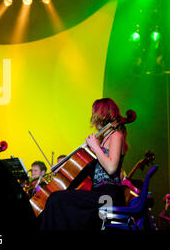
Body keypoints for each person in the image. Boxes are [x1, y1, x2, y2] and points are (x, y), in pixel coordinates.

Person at [40, 98, 129, 230]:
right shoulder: (102, 139)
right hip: (97, 194)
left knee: (57, 200)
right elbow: (82, 171)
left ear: (101, 113)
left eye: (94, 113)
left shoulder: (116, 135)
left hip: (108, 196)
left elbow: (111, 168)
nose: (92, 117)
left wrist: (95, 147)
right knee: (57, 201)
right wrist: (62, 168)